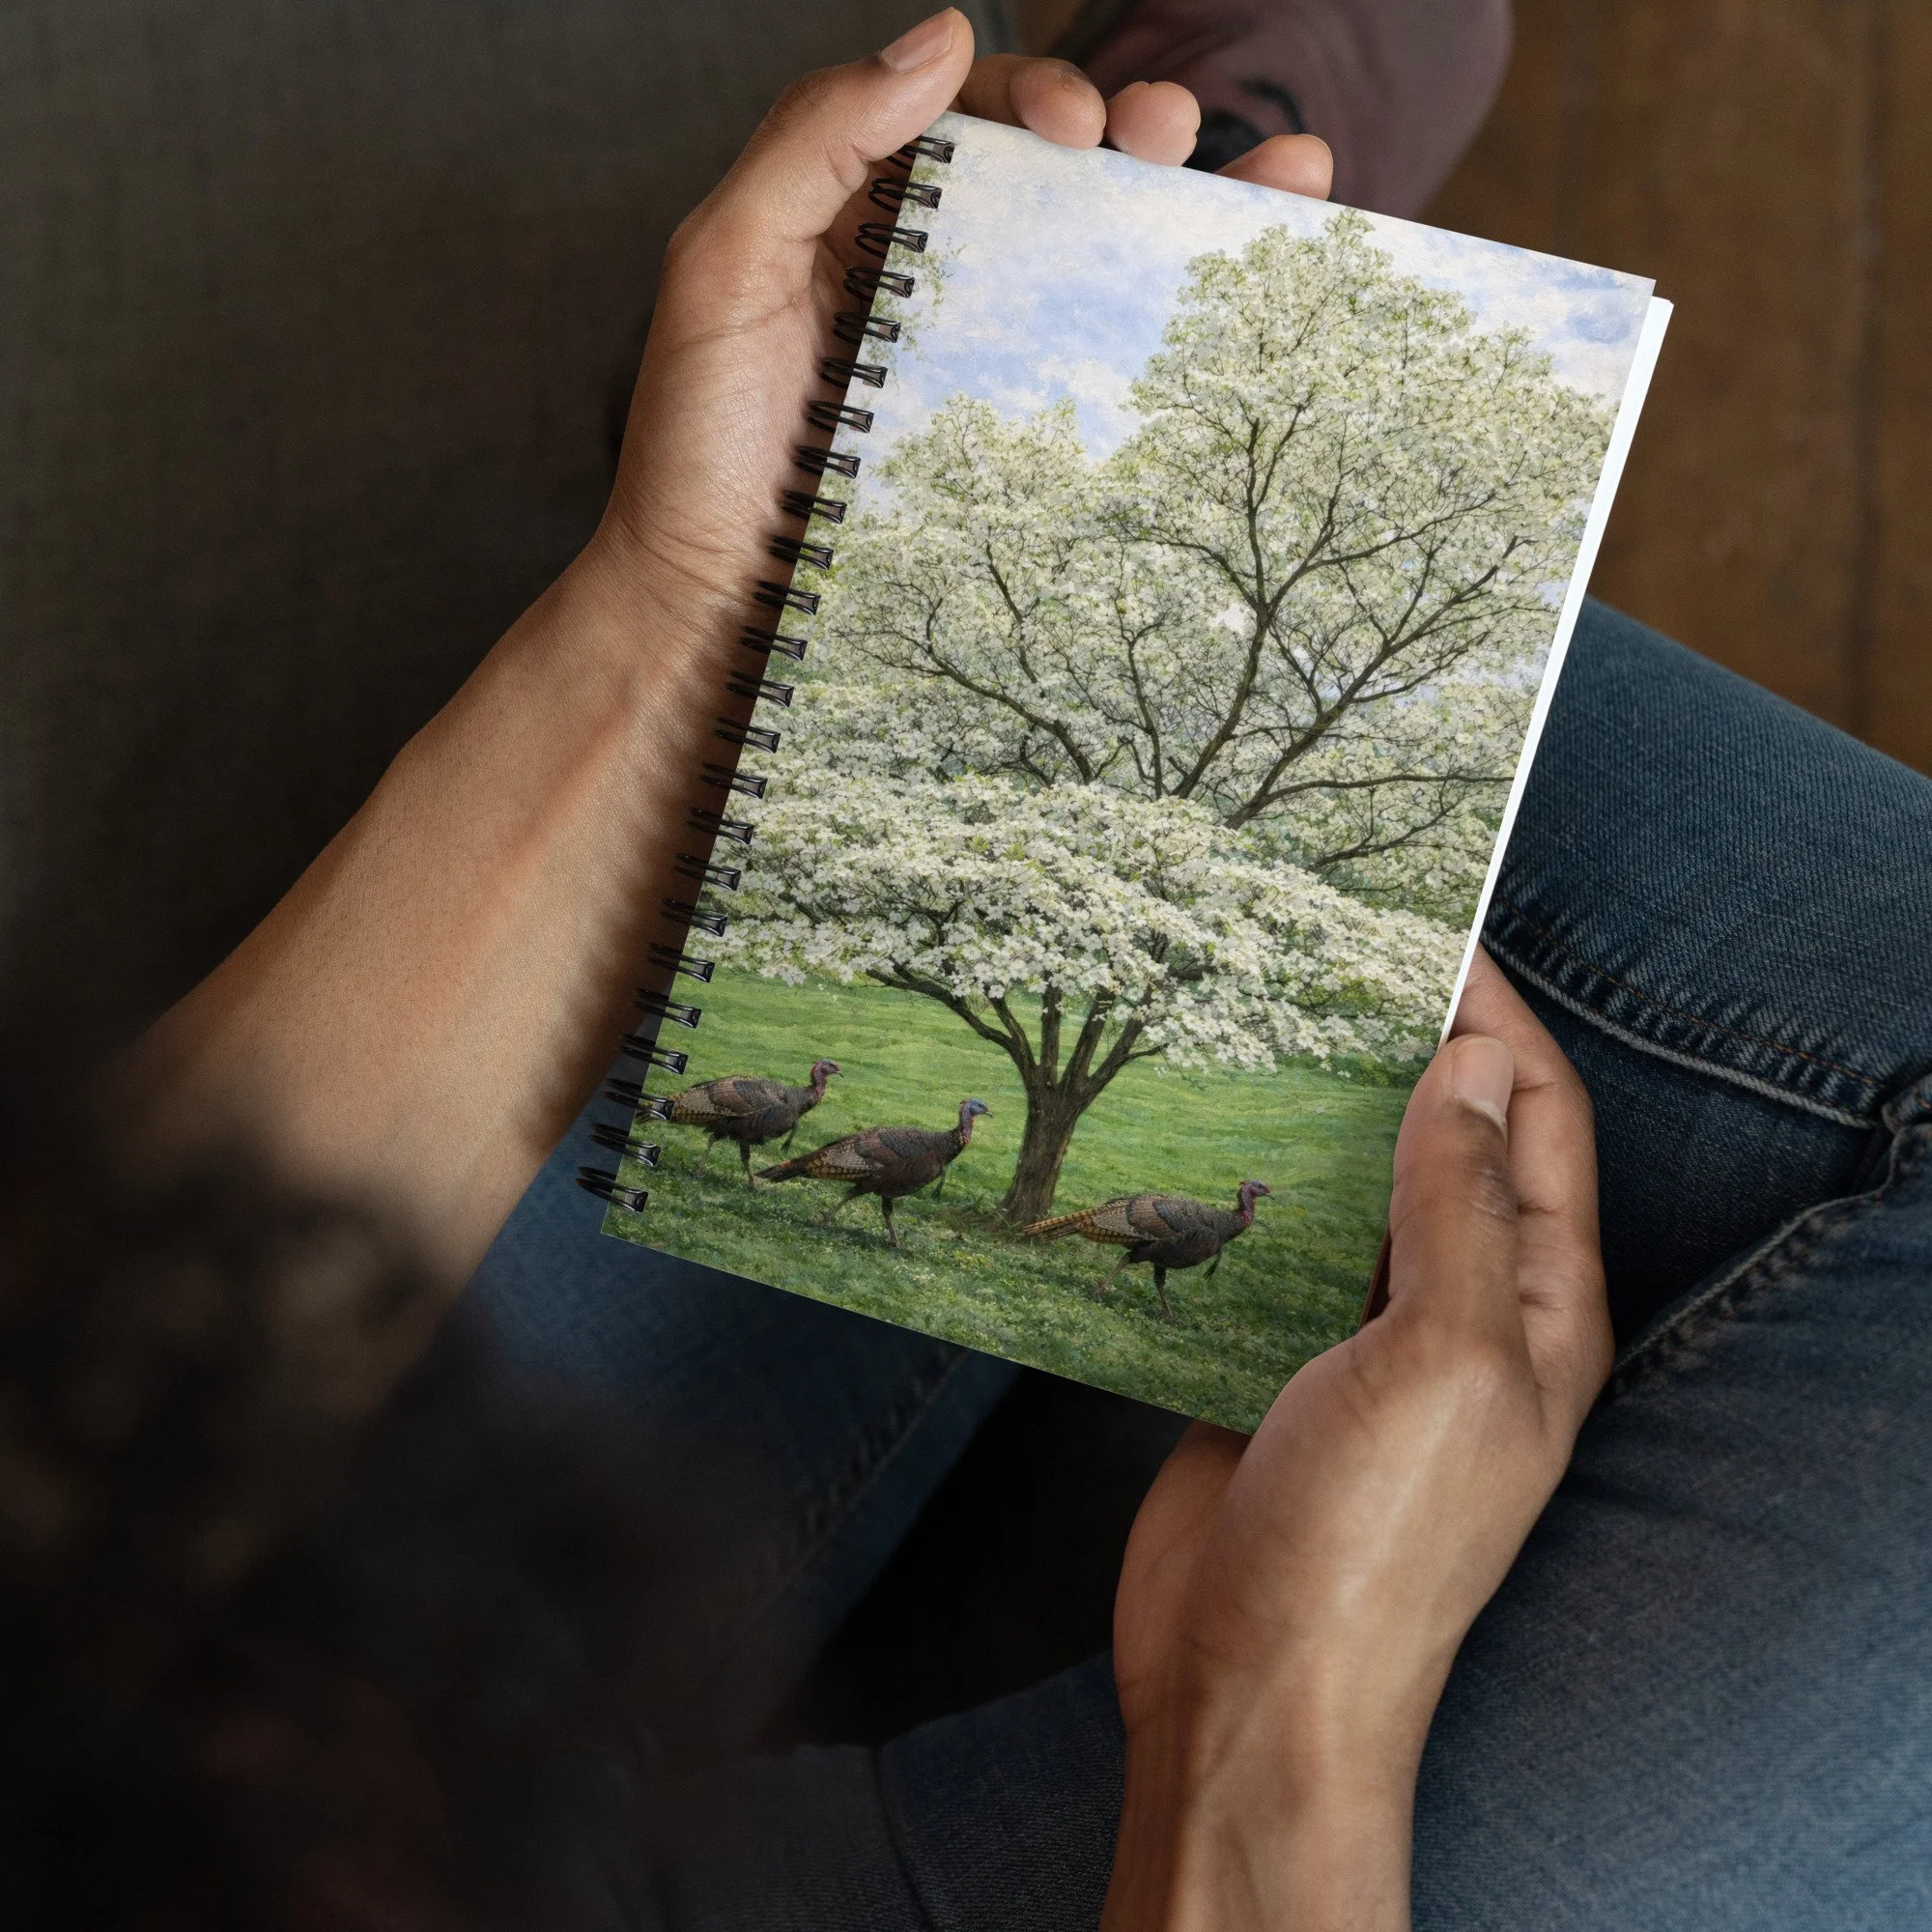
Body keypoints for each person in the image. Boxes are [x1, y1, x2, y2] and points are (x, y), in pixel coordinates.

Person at [7, 12, 1932, 1929]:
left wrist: (672, 622)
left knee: (963, 737)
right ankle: (1129, 316)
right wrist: (1267, 1733)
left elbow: (61, 1463)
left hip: (186, 1749)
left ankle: (1027, 375)